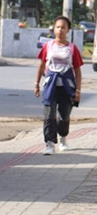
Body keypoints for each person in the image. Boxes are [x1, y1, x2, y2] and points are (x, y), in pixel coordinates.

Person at [34, 15, 82, 155]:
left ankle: (63, 138)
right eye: (58, 27)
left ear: (68, 30)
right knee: (49, 115)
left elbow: (78, 71)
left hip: (67, 86)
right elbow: (41, 65)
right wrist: (36, 84)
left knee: (64, 116)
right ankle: (49, 144)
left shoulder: (73, 49)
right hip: (51, 85)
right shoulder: (48, 46)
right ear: (54, 29)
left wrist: (78, 89)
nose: (60, 30)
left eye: (63, 27)